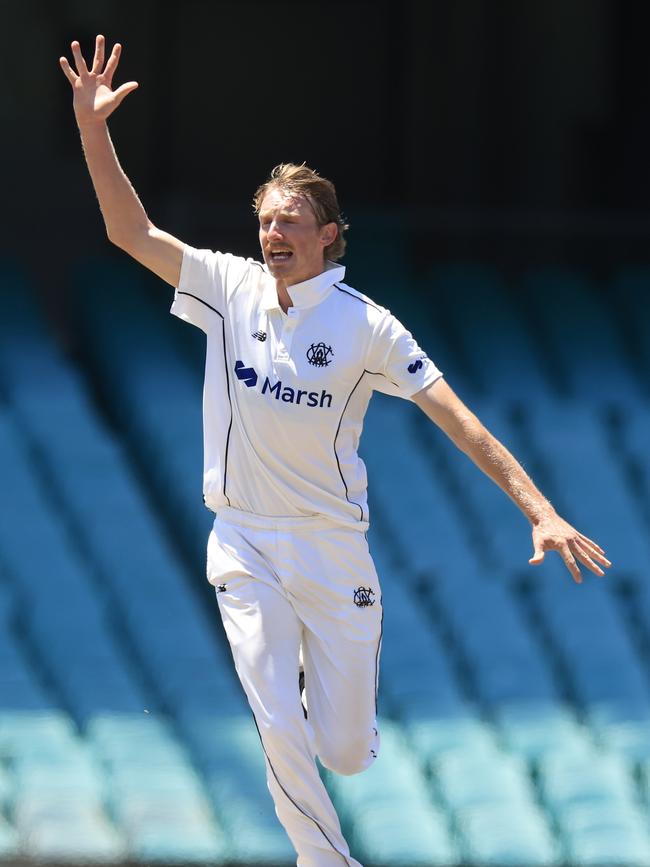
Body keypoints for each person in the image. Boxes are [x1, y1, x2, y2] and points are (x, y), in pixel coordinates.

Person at [60, 36, 611, 867]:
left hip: (330, 544)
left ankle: (337, 718)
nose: (273, 229)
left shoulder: (368, 327)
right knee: (275, 714)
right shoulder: (226, 284)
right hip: (243, 537)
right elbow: (125, 228)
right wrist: (92, 128)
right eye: (265, 216)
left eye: (290, 219)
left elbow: (459, 419)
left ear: (328, 236)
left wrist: (541, 510)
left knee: (344, 749)